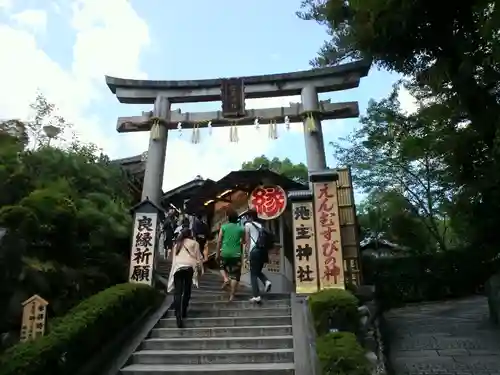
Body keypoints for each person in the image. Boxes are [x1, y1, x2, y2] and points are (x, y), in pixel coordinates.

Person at [167, 227, 203, 328]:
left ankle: (178, 316)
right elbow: (199, 258)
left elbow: (174, 260)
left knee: (178, 292)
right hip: (188, 268)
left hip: (178, 268)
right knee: (187, 290)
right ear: (190, 234)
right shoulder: (194, 243)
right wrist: (200, 270)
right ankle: (184, 311)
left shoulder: (176, 244)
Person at [216, 208, 245, 302]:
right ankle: (232, 295)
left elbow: (219, 241)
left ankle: (225, 278)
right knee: (235, 275)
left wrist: (217, 253)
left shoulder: (223, 227)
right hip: (236, 254)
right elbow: (243, 241)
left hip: (225, 252)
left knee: (221, 267)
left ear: (228, 217)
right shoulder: (241, 228)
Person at [244, 208, 272, 303]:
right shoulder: (260, 225)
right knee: (257, 271)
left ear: (249, 216)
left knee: (253, 274)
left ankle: (256, 295)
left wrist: (247, 254)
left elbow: (247, 241)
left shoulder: (248, 225)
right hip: (263, 251)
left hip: (254, 251)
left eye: (247, 216)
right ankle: (266, 281)